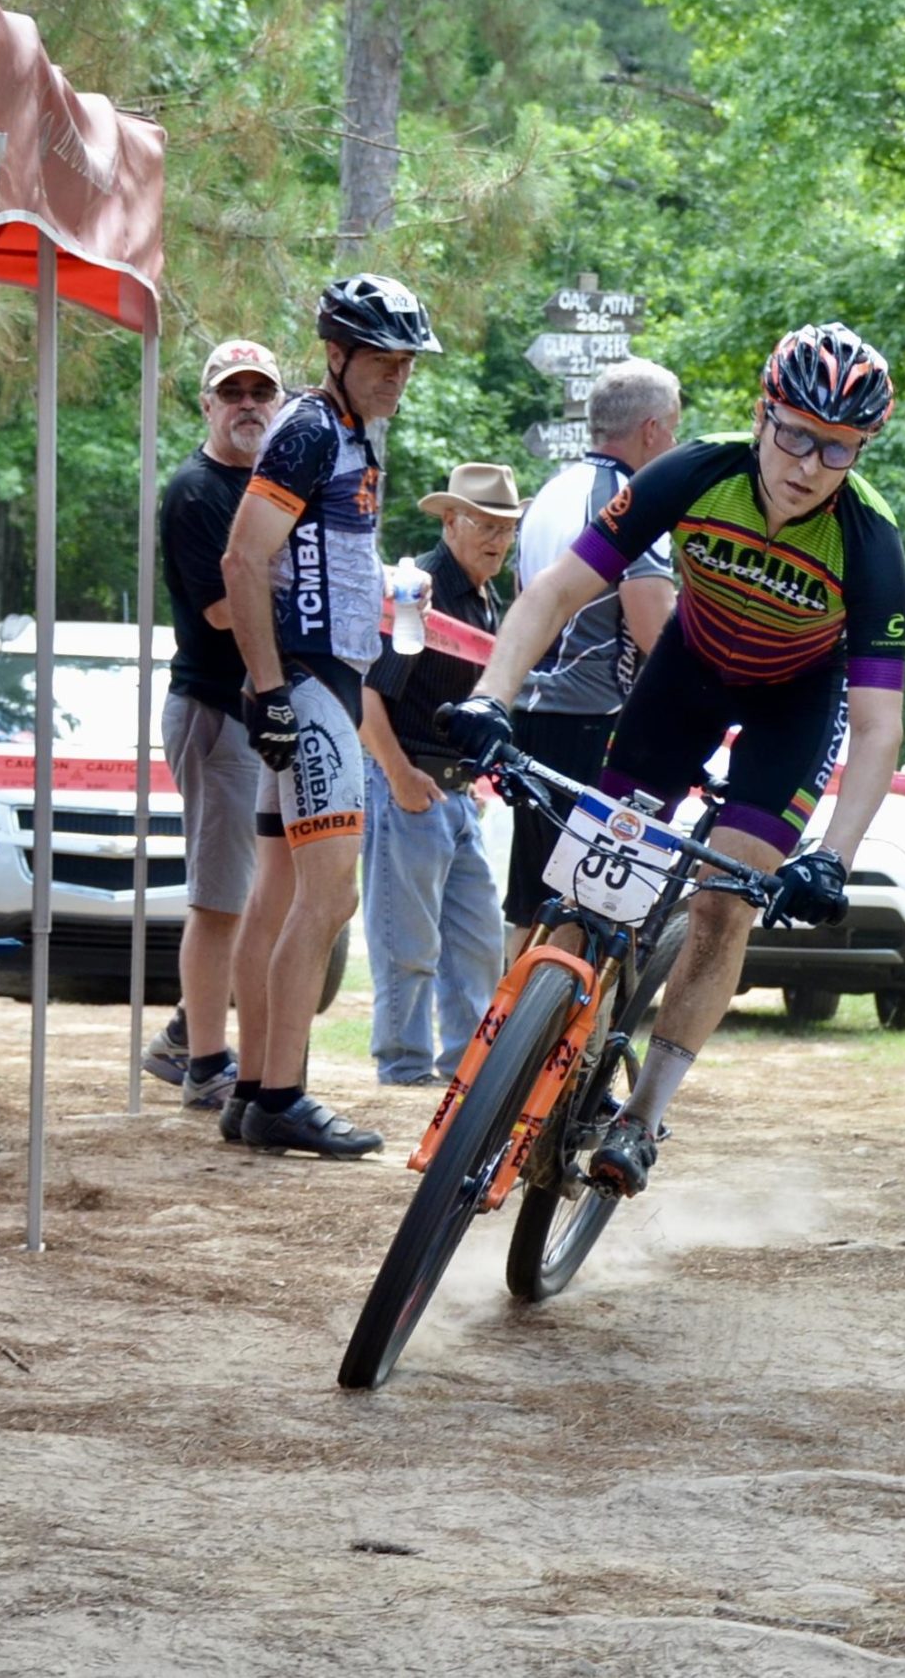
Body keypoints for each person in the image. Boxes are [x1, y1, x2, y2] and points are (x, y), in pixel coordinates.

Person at [443, 322, 905, 1197]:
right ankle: (542, 1049)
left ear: (860, 449)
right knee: (585, 890)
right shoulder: (695, 472)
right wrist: (489, 697)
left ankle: (643, 1117)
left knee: (724, 901)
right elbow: (556, 592)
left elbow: (882, 726)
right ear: (764, 414)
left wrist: (833, 860)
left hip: (793, 709)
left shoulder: (871, 541)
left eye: (837, 447)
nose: (808, 462)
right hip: (684, 679)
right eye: (796, 432)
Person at [217, 273, 440, 1157]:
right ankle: (282, 1094)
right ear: (338, 354)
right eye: (383, 360)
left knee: (278, 898)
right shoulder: (309, 429)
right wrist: (271, 691)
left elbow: (321, 554)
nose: (398, 376)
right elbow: (243, 560)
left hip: (326, 676)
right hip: (306, 683)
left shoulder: (353, 434)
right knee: (329, 897)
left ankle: (250, 1091)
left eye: (407, 362)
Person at [141, 337, 284, 1113]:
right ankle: (204, 1066)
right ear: (207, 404)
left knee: (252, 892)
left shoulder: (267, 487)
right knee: (220, 898)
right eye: (234, 393)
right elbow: (226, 610)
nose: (249, 405)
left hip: (252, 712)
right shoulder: (198, 491)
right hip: (215, 709)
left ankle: (180, 1035)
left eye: (262, 391)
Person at [503, 358, 683, 958]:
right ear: (652, 430)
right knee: (594, 908)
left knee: (531, 903)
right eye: (675, 429)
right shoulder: (634, 502)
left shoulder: (552, 492)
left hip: (533, 716)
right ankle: (570, 1049)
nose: (677, 444)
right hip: (596, 721)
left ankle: (506, 1045)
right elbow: (654, 626)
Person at [356, 463, 514, 1086]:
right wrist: (396, 774)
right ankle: (403, 1067)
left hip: (452, 788)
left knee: (477, 939)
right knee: (408, 943)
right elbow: (367, 694)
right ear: (450, 521)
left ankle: (464, 1069)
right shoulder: (418, 590)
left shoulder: (482, 594)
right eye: (485, 524)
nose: (498, 538)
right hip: (411, 781)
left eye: (507, 527)